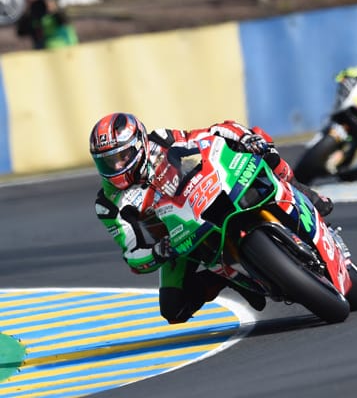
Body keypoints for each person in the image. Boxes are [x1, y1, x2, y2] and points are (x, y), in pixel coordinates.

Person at [89, 113, 333, 324]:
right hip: (177, 238)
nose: (116, 167)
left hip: (205, 194)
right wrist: (159, 251)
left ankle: (303, 192)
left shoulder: (160, 140)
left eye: (121, 156)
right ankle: (223, 278)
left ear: (139, 144)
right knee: (173, 309)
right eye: (107, 162)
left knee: (261, 144)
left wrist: (244, 139)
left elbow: (206, 136)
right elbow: (132, 253)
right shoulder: (108, 204)